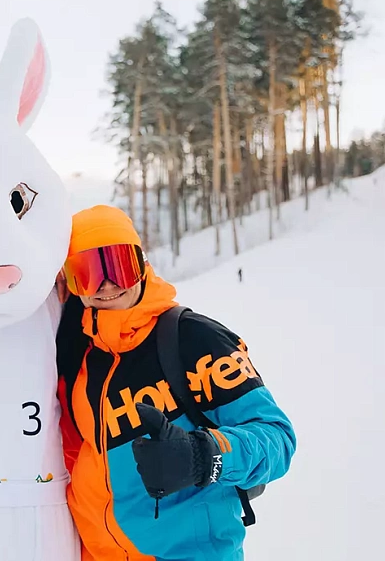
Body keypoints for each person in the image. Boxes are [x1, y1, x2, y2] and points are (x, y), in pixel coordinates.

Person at [55, 205, 296, 561]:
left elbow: (278, 438)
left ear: (142, 265)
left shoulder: (193, 340)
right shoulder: (81, 356)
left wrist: (203, 456)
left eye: (119, 266)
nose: (105, 285)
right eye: (86, 273)